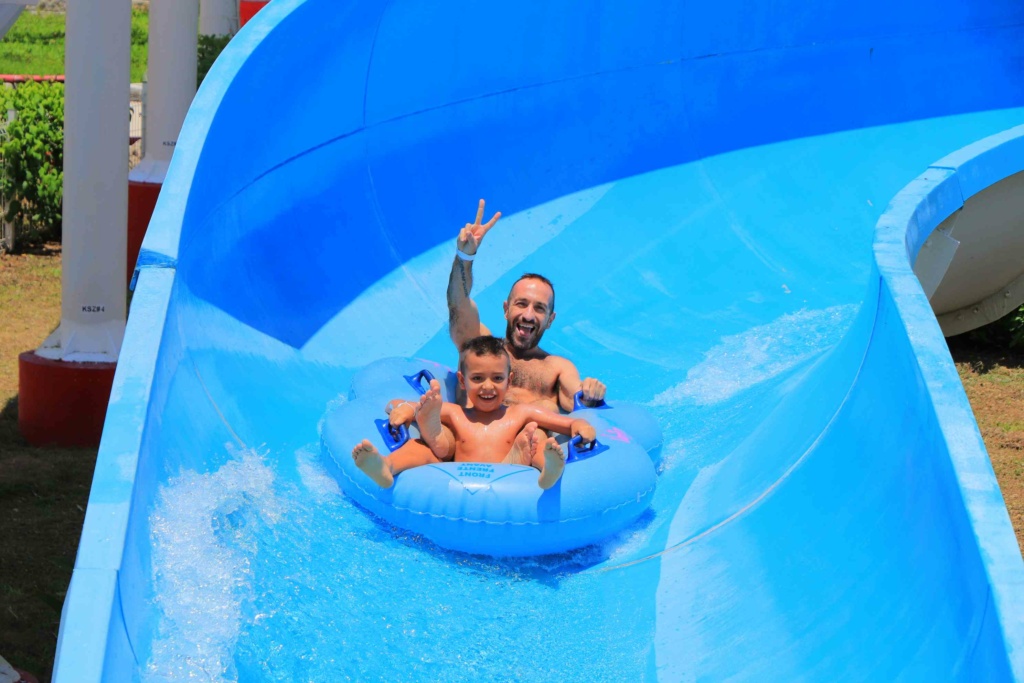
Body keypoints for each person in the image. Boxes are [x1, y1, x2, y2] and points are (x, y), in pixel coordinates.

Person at [352, 336, 596, 489]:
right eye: (477, 378)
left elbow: (567, 424)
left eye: (497, 378)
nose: (488, 386)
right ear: (462, 380)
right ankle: (387, 466)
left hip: (512, 474)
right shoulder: (457, 414)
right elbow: (398, 403)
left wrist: (581, 427)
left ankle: (548, 472)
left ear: (509, 381)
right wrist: (404, 411)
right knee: (423, 445)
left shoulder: (521, 413)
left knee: (538, 441)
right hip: (458, 477)